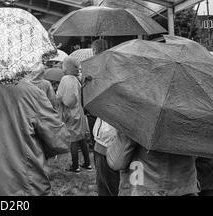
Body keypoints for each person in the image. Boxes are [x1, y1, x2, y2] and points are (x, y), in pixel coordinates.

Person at [107, 131, 199, 196]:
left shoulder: (136, 117)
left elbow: (117, 162)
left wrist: (114, 140)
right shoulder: (193, 116)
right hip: (184, 188)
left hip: (144, 188)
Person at [88, 39, 121, 196]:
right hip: (114, 140)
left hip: (107, 140)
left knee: (107, 187)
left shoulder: (106, 73)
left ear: (95, 52)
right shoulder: (106, 71)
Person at [57, 57, 92, 173]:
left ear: (67, 67)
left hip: (71, 114)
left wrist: (59, 97)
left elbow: (67, 101)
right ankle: (87, 164)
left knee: (73, 140)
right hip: (79, 112)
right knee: (81, 138)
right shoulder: (76, 79)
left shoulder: (65, 79)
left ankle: (75, 166)